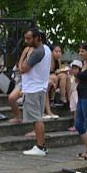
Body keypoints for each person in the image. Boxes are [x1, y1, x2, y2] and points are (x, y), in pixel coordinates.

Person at [20, 28, 52, 156]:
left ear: (37, 38)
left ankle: (40, 147)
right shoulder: (47, 49)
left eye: (29, 38)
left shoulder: (37, 52)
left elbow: (23, 68)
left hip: (33, 88)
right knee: (36, 118)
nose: (26, 41)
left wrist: (23, 54)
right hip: (40, 87)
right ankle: (41, 146)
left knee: (37, 119)